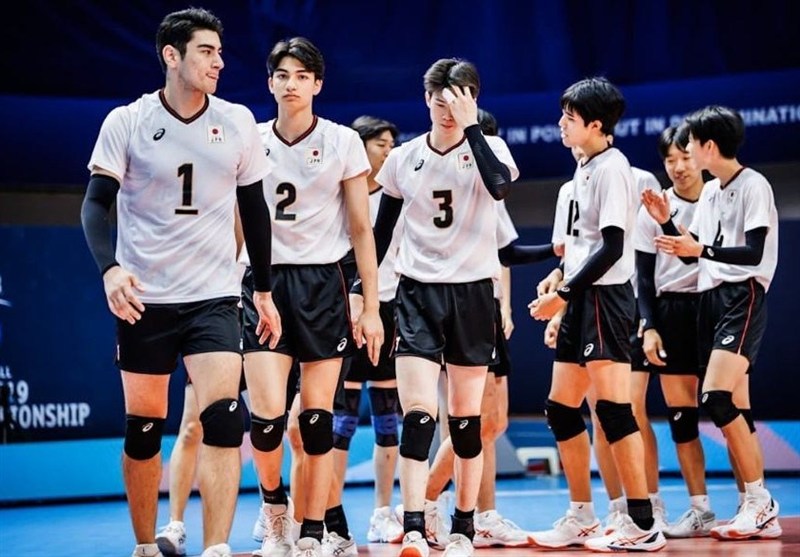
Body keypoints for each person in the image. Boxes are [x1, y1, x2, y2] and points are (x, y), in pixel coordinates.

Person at [80, 8, 281, 557]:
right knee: (144, 428)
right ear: (172, 56)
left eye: (220, 51)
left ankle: (216, 546)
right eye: (206, 52)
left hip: (213, 295)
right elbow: (95, 206)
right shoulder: (128, 121)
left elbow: (255, 211)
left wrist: (262, 291)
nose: (219, 62)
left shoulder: (237, 121)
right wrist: (110, 269)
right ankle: (146, 543)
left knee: (224, 419)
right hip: (146, 299)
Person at [241, 37, 382, 557]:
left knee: (318, 419)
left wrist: (371, 305)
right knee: (267, 419)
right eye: (283, 75)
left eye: (303, 76)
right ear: (270, 82)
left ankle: (313, 531)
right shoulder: (250, 140)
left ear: (318, 84)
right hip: (263, 284)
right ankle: (275, 512)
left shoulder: (342, 141)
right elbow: (236, 221)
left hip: (323, 284)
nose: (292, 84)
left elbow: (362, 228)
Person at [371, 58, 516, 557]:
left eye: (458, 99)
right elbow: (381, 232)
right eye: (440, 99)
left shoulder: (491, 147)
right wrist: (360, 290)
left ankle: (463, 528)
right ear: (427, 100)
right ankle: (414, 524)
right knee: (417, 416)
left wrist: (472, 127)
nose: (447, 109)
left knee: (466, 421)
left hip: (473, 294)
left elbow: (499, 186)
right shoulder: (404, 158)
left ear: (473, 100)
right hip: (417, 293)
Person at [529, 77, 666, 552]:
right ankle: (582, 516)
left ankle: (642, 523)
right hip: (580, 299)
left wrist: (564, 295)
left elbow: (611, 248)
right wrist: (558, 286)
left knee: (612, 410)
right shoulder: (579, 174)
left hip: (606, 300)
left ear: (595, 124)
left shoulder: (613, 167)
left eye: (569, 117)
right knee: (561, 408)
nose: (560, 124)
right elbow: (576, 248)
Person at [420, 108, 560, 550]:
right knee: (467, 421)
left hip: (488, 312)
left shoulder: (491, 195)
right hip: (454, 309)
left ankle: (483, 514)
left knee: (492, 422)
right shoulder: (441, 184)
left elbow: (505, 252)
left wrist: (507, 305)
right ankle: (425, 503)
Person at [643, 105, 781, 541]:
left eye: (690, 147)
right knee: (730, 404)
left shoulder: (753, 185)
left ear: (708, 146)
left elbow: (753, 252)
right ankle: (755, 507)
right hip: (710, 299)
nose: (685, 156)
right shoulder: (711, 194)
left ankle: (759, 500)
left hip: (742, 295)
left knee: (717, 397)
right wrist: (666, 220)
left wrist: (701, 251)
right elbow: (694, 249)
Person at [326, 115, 404, 546]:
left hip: (389, 308)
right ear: (361, 147)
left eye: (392, 144)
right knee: (341, 421)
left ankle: (381, 513)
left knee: (388, 420)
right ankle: (329, 513)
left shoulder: (398, 196)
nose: (388, 150)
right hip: (348, 309)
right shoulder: (344, 196)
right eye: (380, 144)